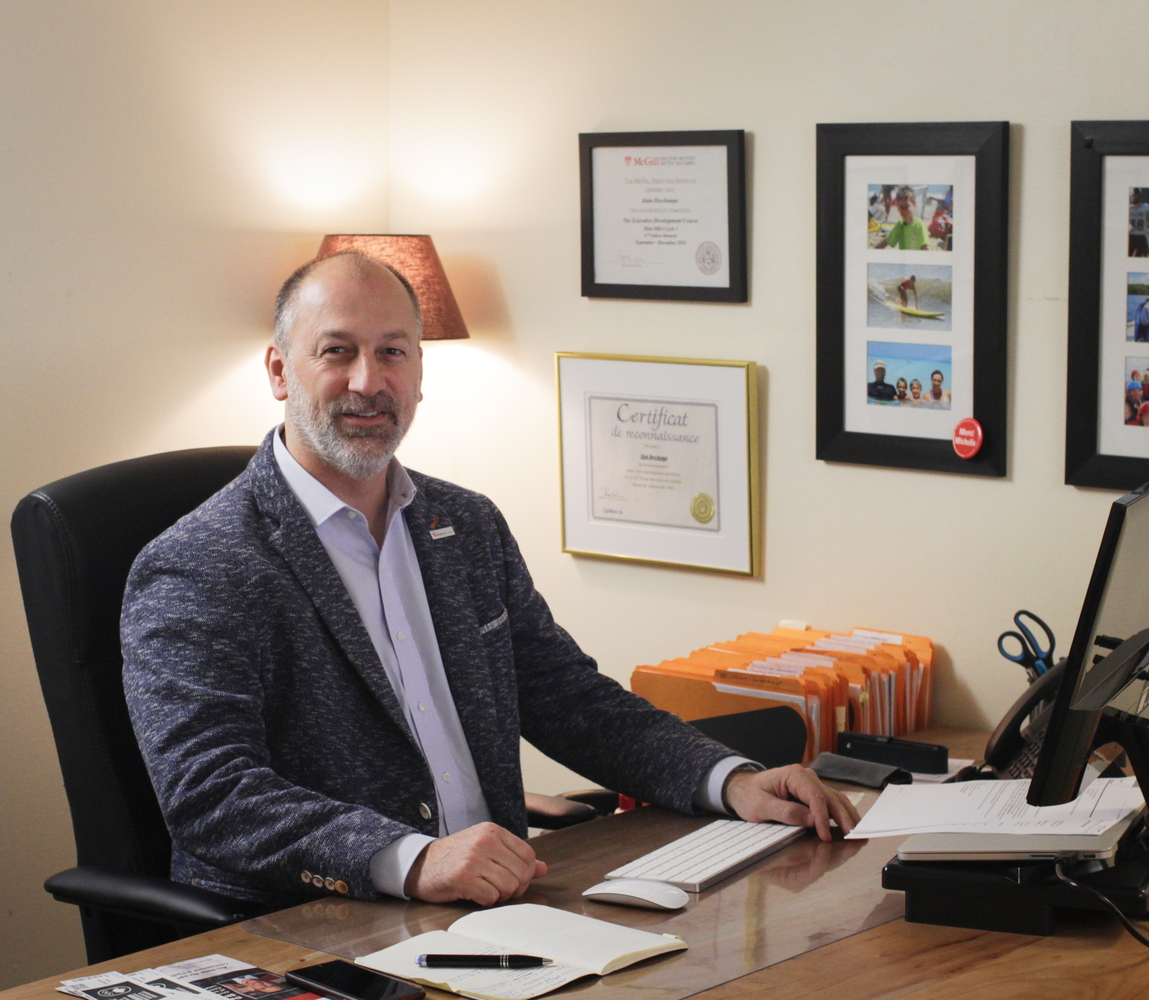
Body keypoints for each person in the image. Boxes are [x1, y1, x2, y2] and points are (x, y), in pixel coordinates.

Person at [121, 252, 858, 910]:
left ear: (419, 372)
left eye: (393, 353)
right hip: (314, 926)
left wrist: (729, 780)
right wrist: (412, 862)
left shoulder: (463, 525)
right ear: (280, 371)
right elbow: (212, 796)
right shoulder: (202, 564)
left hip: (502, 910)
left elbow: (567, 697)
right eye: (336, 352)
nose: (368, 383)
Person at [1129, 190, 1149, 257]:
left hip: (1141, 235)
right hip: (1130, 236)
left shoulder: (1147, 208)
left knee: (1140, 257)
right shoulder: (1128, 208)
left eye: (1135, 196)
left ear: (1139, 196)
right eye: (1132, 196)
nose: (1133, 198)